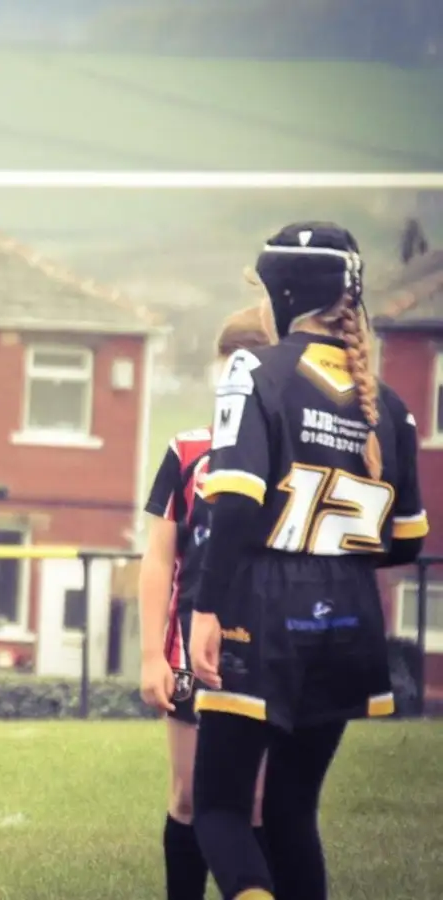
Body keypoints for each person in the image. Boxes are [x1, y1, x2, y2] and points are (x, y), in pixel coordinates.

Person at [188, 222, 429, 900]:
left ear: (283, 291)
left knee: (220, 808)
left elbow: (233, 504)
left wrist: (206, 608)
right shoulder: (394, 408)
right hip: (350, 616)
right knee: (295, 813)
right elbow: (406, 539)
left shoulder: (253, 371)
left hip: (261, 607)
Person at [139, 305, 275, 900]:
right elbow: (157, 559)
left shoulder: (285, 452)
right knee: (189, 796)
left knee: (256, 805)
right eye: (230, 363)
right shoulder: (186, 451)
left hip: (267, 650)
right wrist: (152, 656)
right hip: (190, 652)